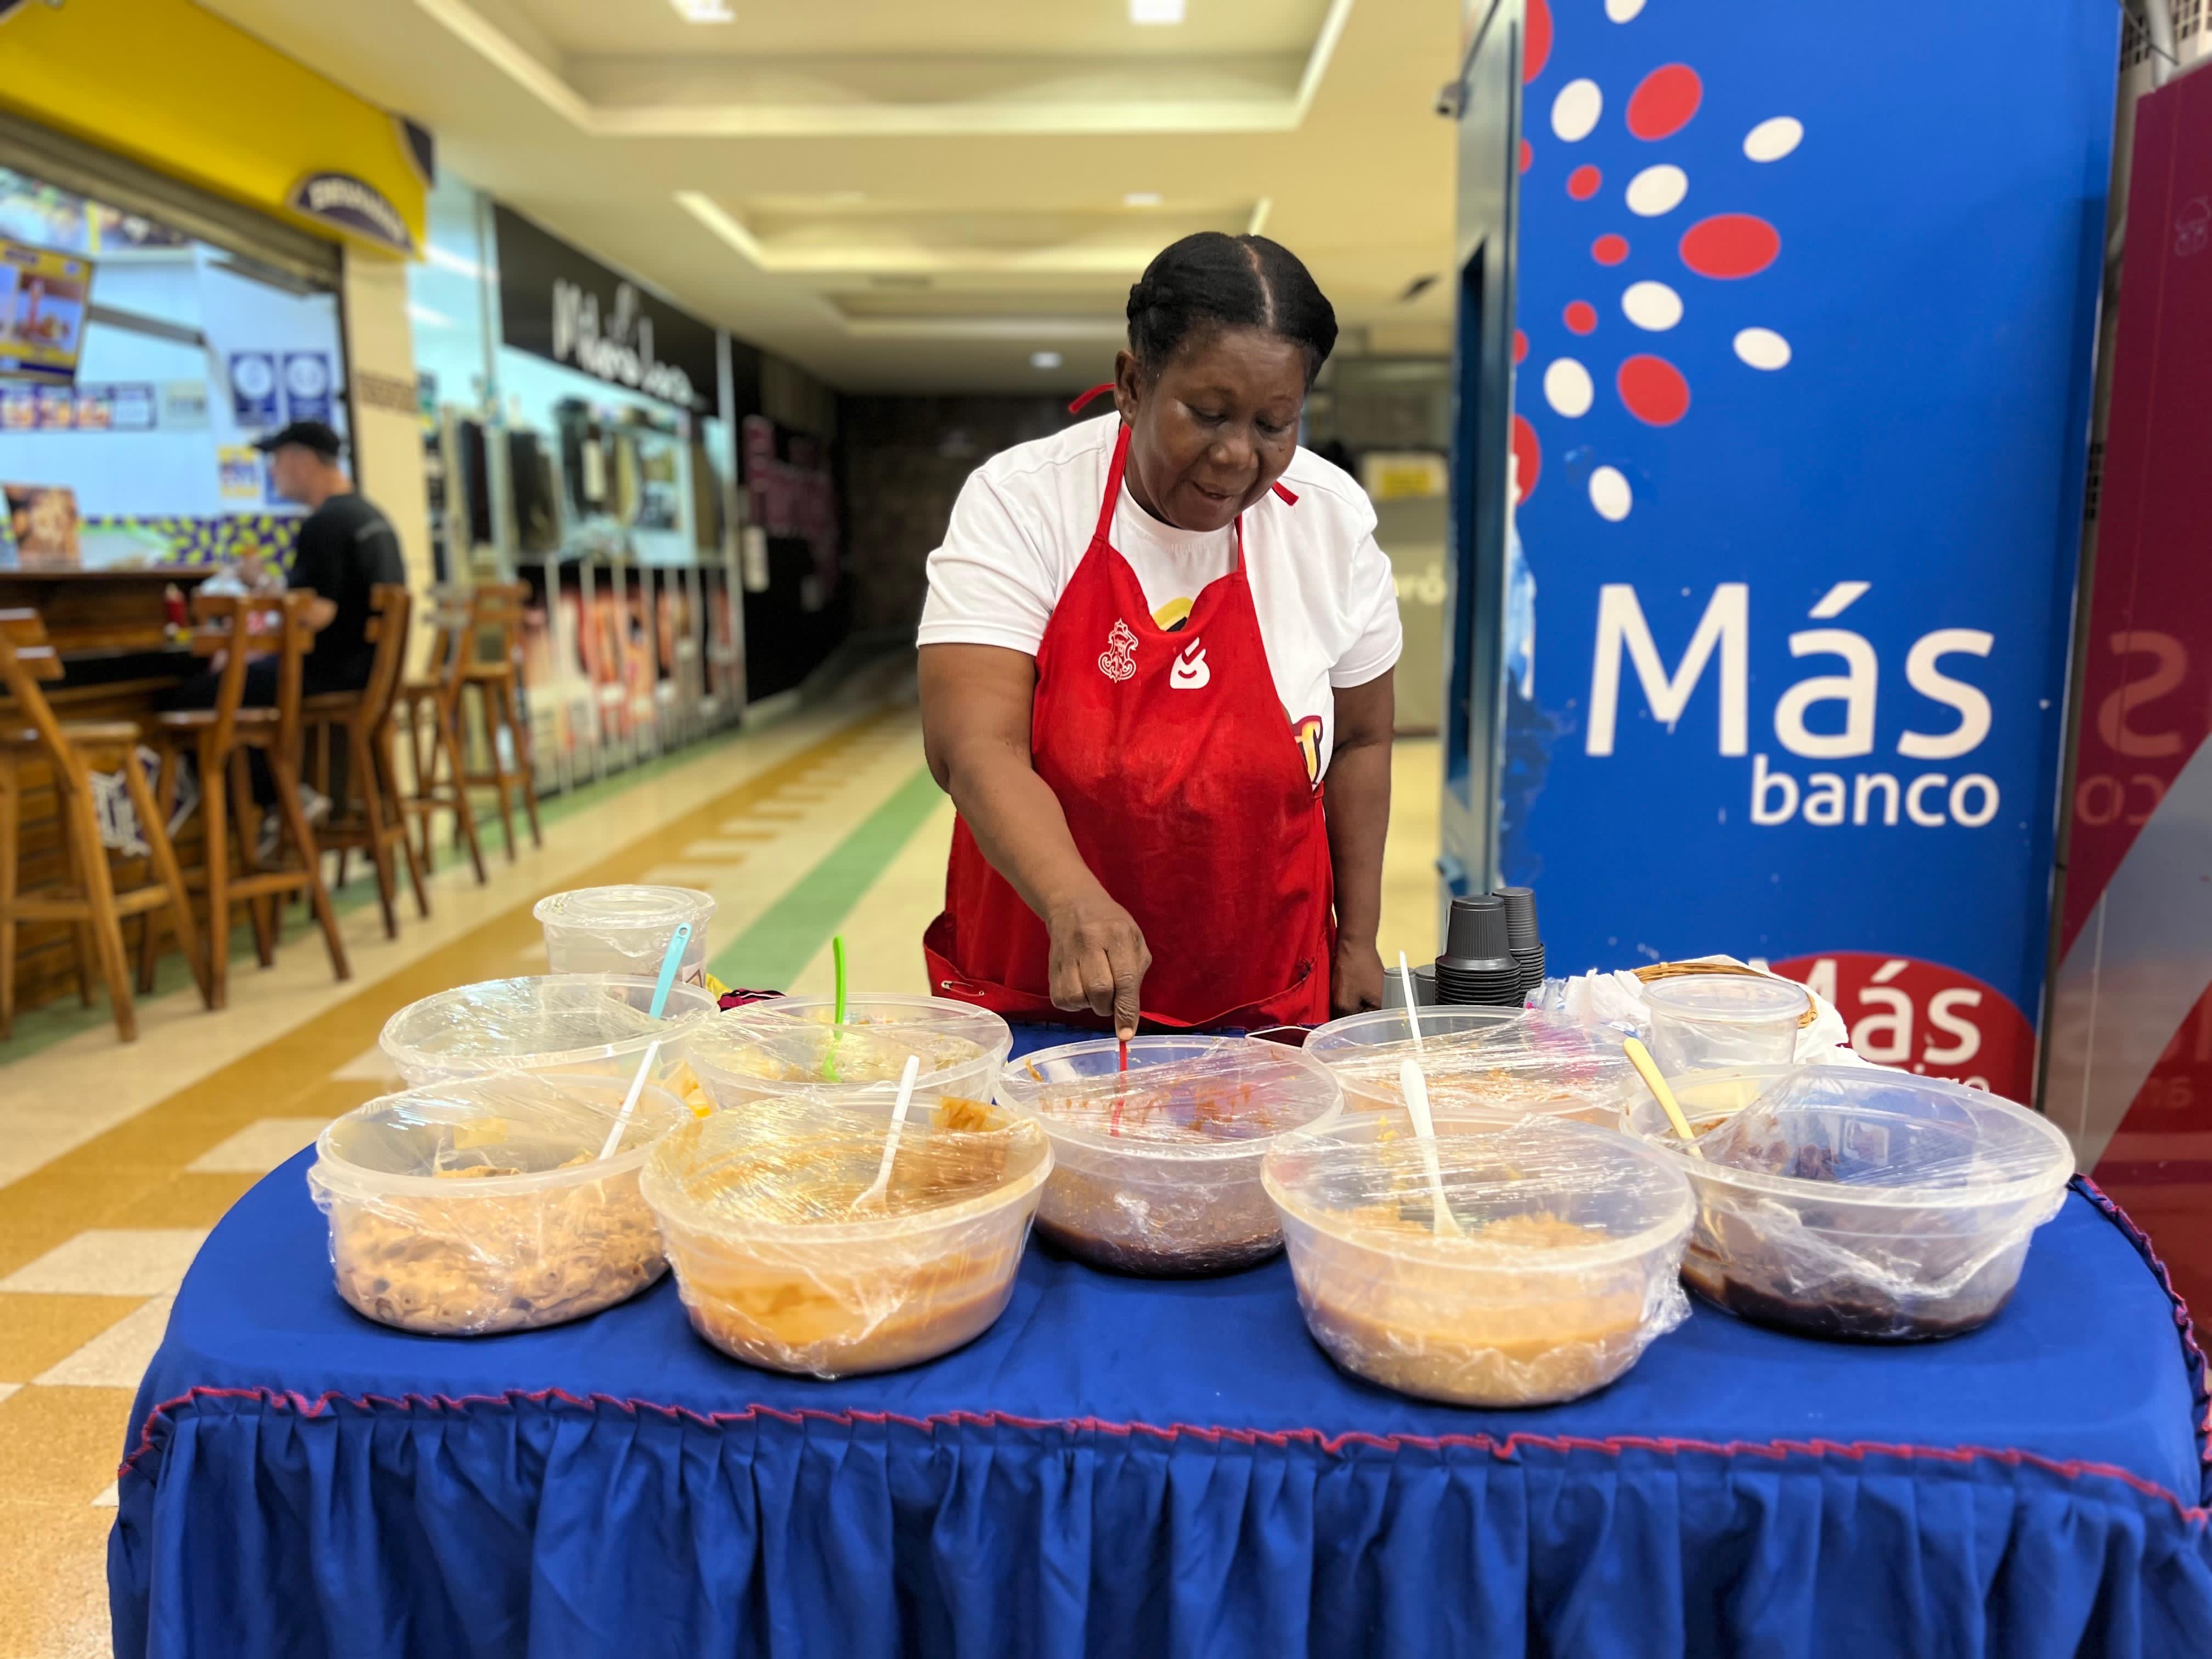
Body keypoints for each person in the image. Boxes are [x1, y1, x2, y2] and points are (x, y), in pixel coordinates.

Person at [918, 232, 1400, 1039]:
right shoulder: (1024, 502)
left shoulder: (1331, 521)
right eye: (1207, 415)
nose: (1236, 456)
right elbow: (973, 746)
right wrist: (1071, 898)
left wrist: (1358, 939)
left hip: (1262, 995)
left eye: (1274, 424)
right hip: (1048, 994)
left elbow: (1361, 741)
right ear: (1133, 384)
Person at [158, 420, 406, 843]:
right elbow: (321, 606)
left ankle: (277, 800)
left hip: (327, 673)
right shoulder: (371, 517)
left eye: (275, 461)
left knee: (191, 699)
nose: (272, 472)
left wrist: (259, 600)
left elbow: (316, 614)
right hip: (365, 675)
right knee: (242, 691)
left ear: (302, 461)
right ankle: (278, 802)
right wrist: (271, 590)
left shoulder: (325, 524)